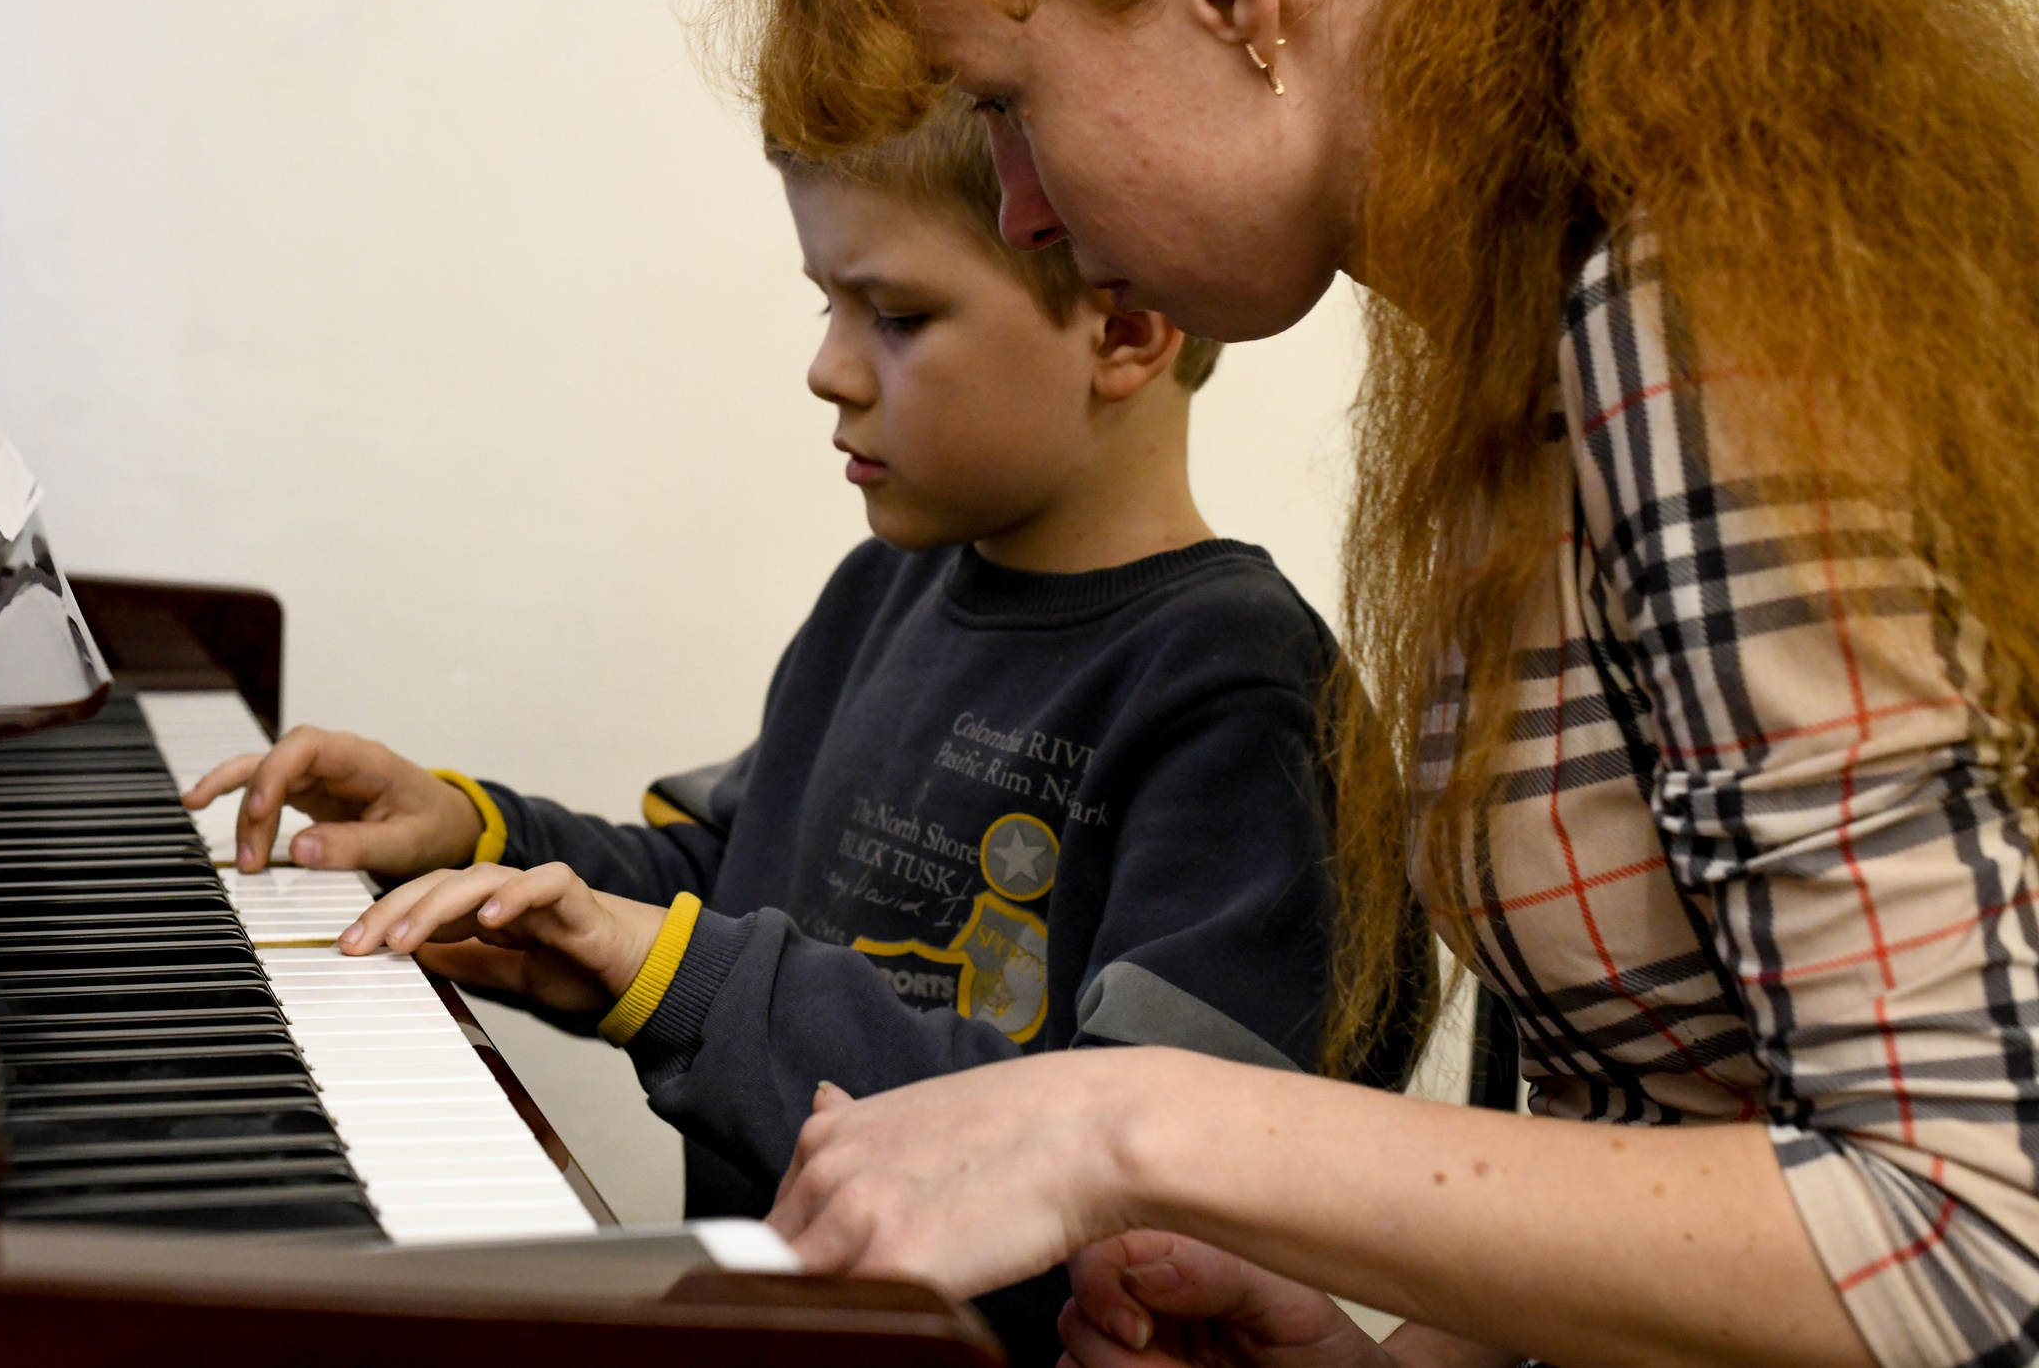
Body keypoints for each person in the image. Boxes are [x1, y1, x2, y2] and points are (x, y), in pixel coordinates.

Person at [733, 0, 2039, 1366]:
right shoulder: (1512, 327)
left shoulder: (1693, 318)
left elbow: (1969, 1237)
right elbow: (1685, 1117)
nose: (1028, 208)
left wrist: (1117, 1126)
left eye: (1005, 103)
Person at [184, 105, 1352, 1362]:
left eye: (894, 315)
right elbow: (725, 890)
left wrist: (680, 976)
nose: (830, 370)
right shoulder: (884, 592)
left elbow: (1157, 1163)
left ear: (1123, 333)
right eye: (826, 308)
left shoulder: (1238, 691)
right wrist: (477, 837)